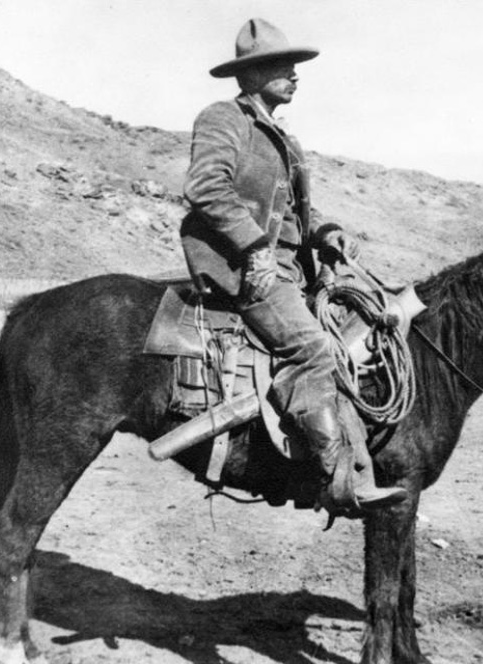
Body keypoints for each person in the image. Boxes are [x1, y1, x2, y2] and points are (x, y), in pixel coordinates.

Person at [181, 18, 406, 511]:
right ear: (251, 75)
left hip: (288, 271)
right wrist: (254, 245)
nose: (295, 74)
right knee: (313, 348)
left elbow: (295, 217)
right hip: (244, 269)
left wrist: (326, 234)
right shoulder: (224, 119)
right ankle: (335, 476)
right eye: (283, 66)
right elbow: (205, 187)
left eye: (294, 66)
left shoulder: (284, 140)